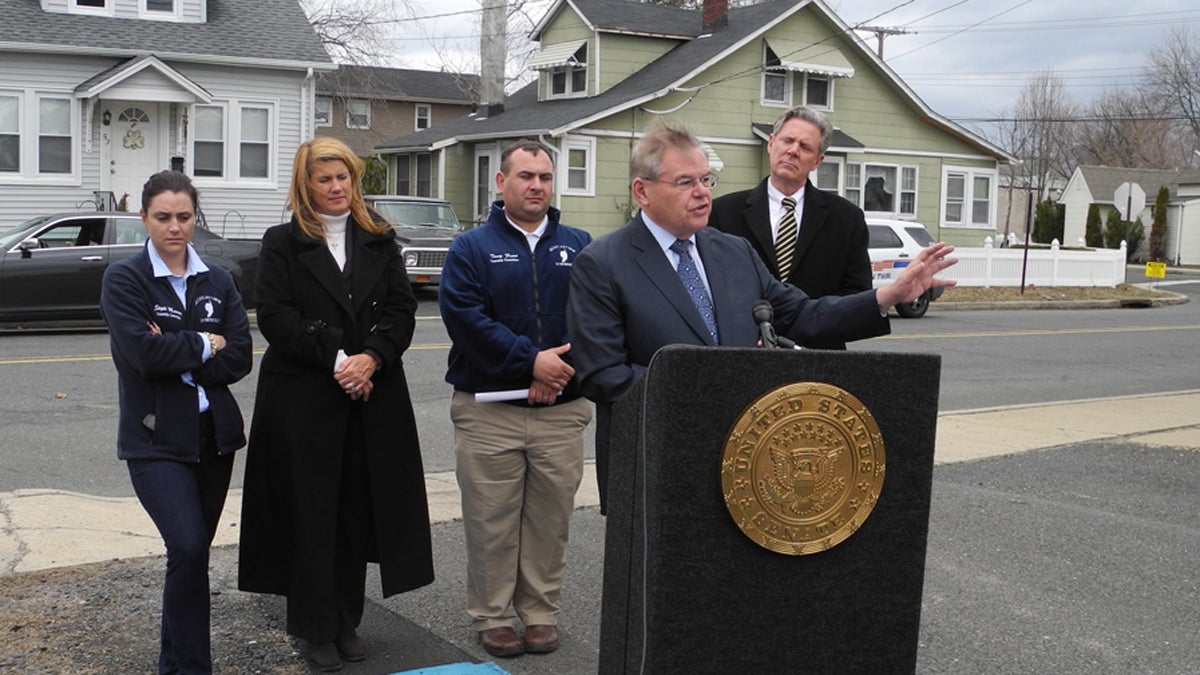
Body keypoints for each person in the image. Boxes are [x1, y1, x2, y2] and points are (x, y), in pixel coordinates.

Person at [567, 121, 956, 510]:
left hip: (743, 466)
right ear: (642, 191)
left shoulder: (734, 252)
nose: (703, 193)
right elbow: (604, 375)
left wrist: (887, 295)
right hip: (654, 466)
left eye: (707, 179)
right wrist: (707, 390)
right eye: (686, 183)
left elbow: (804, 314)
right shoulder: (602, 264)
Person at [237, 137, 434, 672]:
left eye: (344, 177)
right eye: (324, 179)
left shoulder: (379, 239)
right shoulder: (283, 242)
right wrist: (339, 361)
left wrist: (370, 359)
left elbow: (400, 311)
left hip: (371, 399)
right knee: (310, 513)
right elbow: (276, 317)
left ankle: (347, 618)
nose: (337, 187)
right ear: (306, 186)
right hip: (305, 400)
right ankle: (314, 625)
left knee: (354, 512)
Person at [438, 140, 594, 658]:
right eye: (526, 176)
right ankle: (494, 616)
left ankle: (540, 612)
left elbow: (593, 321)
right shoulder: (471, 249)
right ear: (501, 182)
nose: (537, 186)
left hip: (560, 411)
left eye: (545, 177)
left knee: (550, 523)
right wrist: (531, 361)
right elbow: (466, 321)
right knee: (491, 523)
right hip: (490, 414)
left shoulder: (580, 245)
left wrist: (554, 374)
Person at [100, 170, 253, 675]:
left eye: (184, 217)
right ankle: (192, 669)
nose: (174, 227)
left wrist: (176, 347)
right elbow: (141, 355)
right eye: (162, 217)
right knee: (186, 544)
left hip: (214, 438)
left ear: (194, 217)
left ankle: (176, 663)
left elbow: (240, 360)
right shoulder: (125, 279)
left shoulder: (219, 279)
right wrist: (206, 342)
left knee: (191, 557)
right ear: (144, 218)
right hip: (154, 439)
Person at [709, 106, 872, 349]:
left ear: (818, 161)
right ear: (771, 143)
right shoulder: (722, 213)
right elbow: (711, 289)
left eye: (805, 147)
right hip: (742, 354)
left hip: (818, 356)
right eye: (787, 140)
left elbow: (856, 296)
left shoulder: (846, 219)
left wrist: (810, 322)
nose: (793, 151)